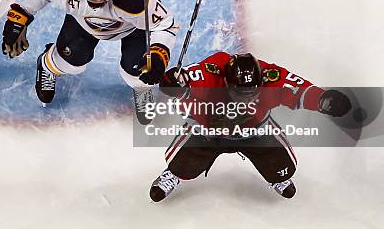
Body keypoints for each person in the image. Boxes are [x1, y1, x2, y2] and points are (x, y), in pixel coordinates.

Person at [150, 51, 352, 201]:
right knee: (181, 164)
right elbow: (188, 79)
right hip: (208, 131)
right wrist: (175, 83)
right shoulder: (211, 72)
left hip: (254, 131)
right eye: (240, 94)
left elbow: (299, 89)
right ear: (227, 82)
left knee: (283, 169)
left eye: (252, 94)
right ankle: (175, 174)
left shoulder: (270, 76)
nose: (245, 100)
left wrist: (324, 99)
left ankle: (276, 177)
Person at [1, 0, 180, 104]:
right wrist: (21, 15)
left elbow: (165, 24)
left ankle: (142, 88)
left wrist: (159, 53)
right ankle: (47, 65)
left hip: (131, 28)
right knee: (71, 64)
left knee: (139, 72)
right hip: (84, 21)